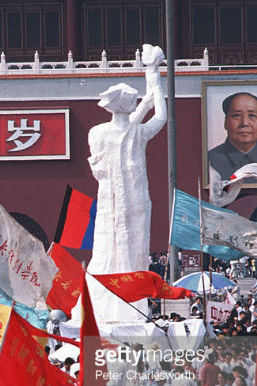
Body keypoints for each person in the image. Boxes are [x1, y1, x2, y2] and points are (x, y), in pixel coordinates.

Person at [86, 44, 166, 322]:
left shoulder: (97, 133)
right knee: (132, 248)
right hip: (133, 199)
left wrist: (150, 83)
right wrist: (154, 77)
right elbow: (161, 116)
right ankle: (129, 302)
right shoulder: (137, 133)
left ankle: (110, 299)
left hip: (111, 201)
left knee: (108, 247)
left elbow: (128, 124)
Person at [207, 92, 257, 183]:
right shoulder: (208, 160)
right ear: (225, 122)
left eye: (252, 116)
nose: (245, 123)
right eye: (237, 115)